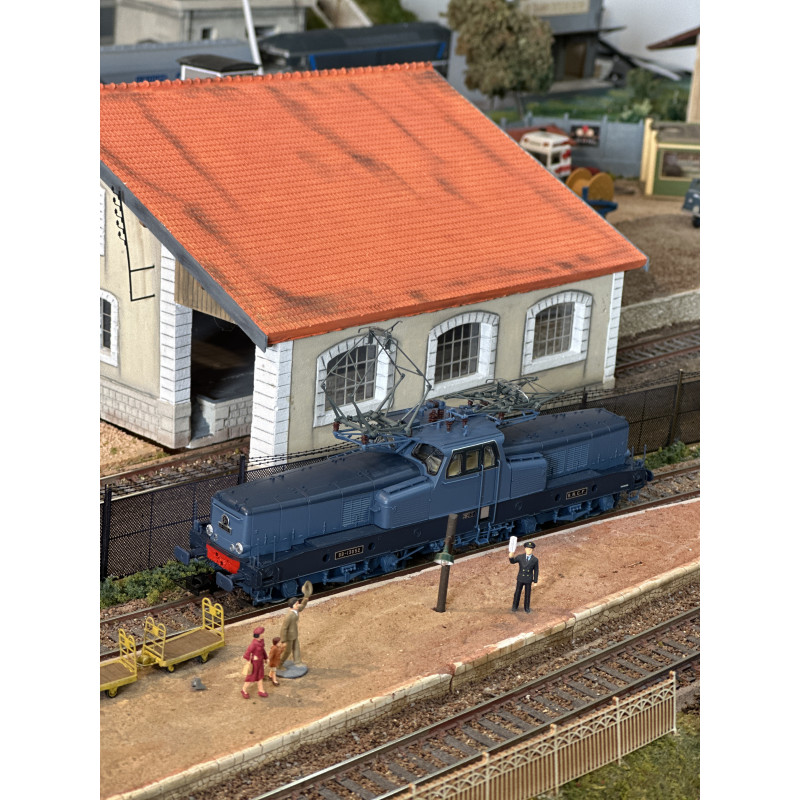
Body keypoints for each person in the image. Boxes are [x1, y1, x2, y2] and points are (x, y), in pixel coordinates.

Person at [279, 583, 312, 667]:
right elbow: (284, 628)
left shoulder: (296, 610)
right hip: (289, 637)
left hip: (294, 634)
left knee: (296, 648)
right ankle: (279, 664)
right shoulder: (289, 615)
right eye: (296, 604)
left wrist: (306, 597)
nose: (298, 605)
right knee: (287, 651)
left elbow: (303, 605)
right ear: (291, 605)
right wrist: (283, 640)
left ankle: (298, 662)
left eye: (298, 603)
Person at [508, 540, 539, 613]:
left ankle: (527, 608)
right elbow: (513, 562)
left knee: (527, 594)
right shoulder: (520, 557)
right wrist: (511, 557)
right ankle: (514, 606)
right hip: (521, 578)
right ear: (525, 549)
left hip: (528, 579)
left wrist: (535, 581)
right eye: (527, 549)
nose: (529, 550)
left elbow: (536, 570)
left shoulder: (535, 559)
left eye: (530, 549)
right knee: (517, 592)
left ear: (533, 550)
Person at [241, 626, 269, 699]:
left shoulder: (261, 641)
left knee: (260, 676)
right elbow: (247, 653)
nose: (263, 634)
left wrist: (265, 657)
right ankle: (244, 690)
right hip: (254, 664)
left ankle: (261, 690)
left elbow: (263, 650)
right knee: (251, 677)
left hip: (260, 662)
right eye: (262, 633)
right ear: (259, 635)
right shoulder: (253, 644)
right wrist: (252, 658)